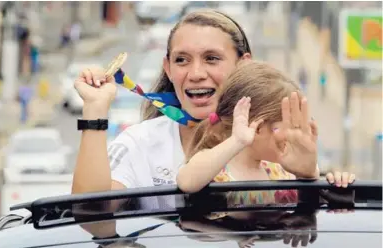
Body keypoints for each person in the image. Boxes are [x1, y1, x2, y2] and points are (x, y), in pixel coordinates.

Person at [71, 10, 318, 219]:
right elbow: (91, 214)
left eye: (212, 58)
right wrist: (95, 109)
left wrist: (309, 175)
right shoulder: (139, 143)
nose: (196, 73)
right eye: (182, 60)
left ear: (243, 65)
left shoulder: (272, 142)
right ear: (168, 69)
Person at [176, 60, 356, 202]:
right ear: (258, 128)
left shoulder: (281, 171)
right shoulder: (215, 167)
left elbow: (310, 210)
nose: (293, 137)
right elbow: (186, 181)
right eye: (287, 127)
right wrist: (237, 141)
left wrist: (311, 175)